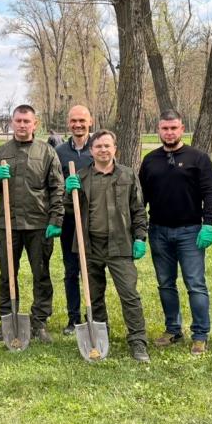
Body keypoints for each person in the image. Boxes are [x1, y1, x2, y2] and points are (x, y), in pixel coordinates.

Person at [0, 104, 64, 343]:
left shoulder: (47, 153)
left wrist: (55, 219)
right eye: (18, 121)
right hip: (8, 225)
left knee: (41, 274)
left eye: (26, 121)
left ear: (35, 124)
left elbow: (57, 189)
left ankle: (39, 322)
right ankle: (7, 319)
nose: (22, 125)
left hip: (39, 225)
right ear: (11, 123)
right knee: (8, 275)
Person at [139, 110, 212, 356]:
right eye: (165, 128)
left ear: (182, 129)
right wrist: (139, 232)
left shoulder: (198, 158)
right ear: (158, 130)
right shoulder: (150, 160)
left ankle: (200, 334)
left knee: (195, 283)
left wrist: (208, 223)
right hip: (159, 231)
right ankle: (173, 329)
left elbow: (210, 193)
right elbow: (140, 199)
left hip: (190, 232)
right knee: (165, 283)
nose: (169, 132)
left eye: (174, 128)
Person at [68, 130, 150, 362]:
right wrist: (69, 191)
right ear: (91, 150)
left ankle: (138, 342)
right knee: (93, 296)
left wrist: (140, 237)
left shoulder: (127, 175)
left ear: (115, 149)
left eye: (107, 146)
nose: (103, 150)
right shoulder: (82, 177)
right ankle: (99, 337)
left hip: (120, 245)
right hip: (89, 246)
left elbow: (138, 210)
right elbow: (68, 209)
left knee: (129, 294)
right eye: (98, 146)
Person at [55, 105, 95, 335]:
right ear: (68, 123)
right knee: (71, 270)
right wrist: (64, 193)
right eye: (73, 121)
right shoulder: (59, 151)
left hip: (94, 219)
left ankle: (96, 314)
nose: (78, 124)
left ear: (90, 121)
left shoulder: (99, 147)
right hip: (70, 220)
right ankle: (73, 318)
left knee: (91, 270)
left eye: (82, 120)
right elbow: (53, 185)